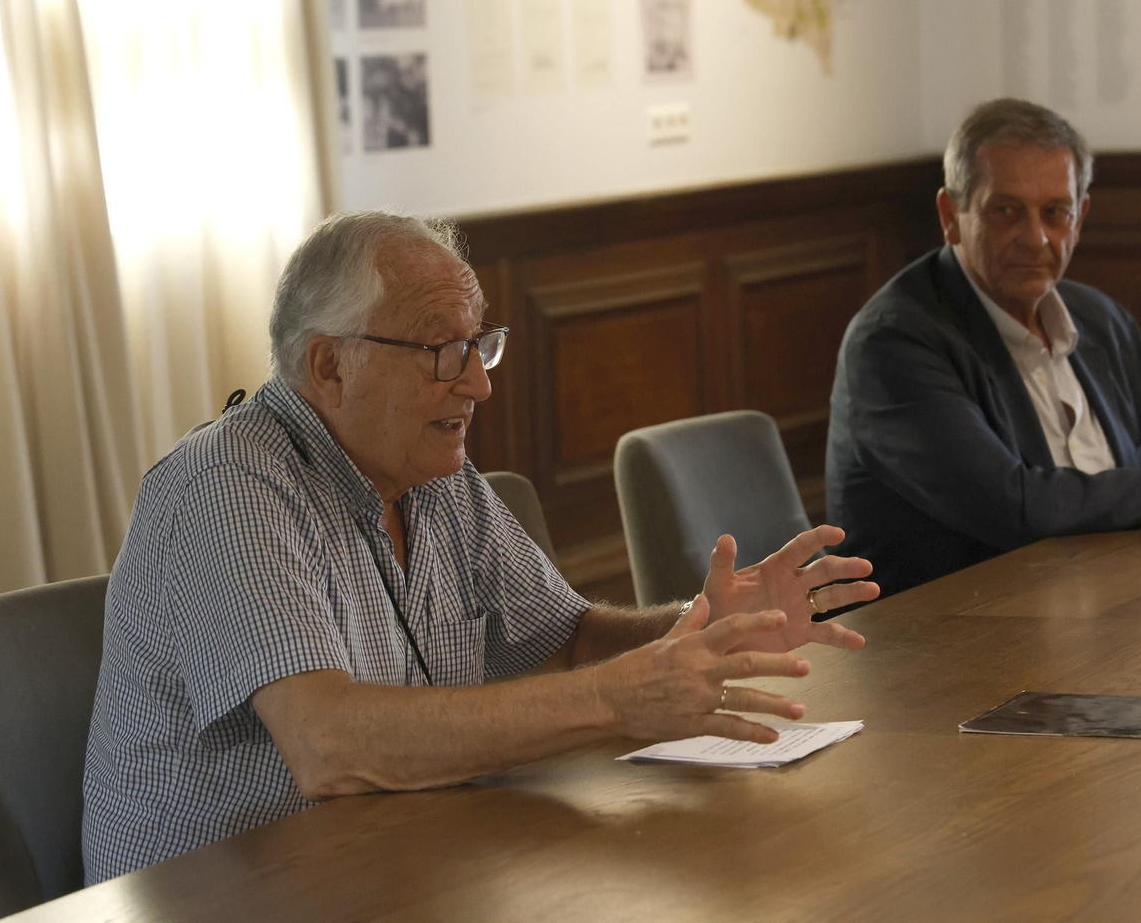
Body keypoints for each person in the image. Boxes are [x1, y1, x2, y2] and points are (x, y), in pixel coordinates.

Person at [83, 213, 877, 882]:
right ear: (330, 365)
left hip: (399, 868)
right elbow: (329, 746)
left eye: (479, 345)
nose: (478, 384)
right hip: (234, 896)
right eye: (442, 352)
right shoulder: (229, 487)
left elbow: (566, 642)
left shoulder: (432, 474)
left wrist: (704, 627)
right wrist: (615, 699)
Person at [825, 97, 1141, 601]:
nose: (1036, 238)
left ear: (1080, 217)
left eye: (1055, 213)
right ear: (951, 215)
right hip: (950, 630)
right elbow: (1015, 507)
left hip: (1116, 600)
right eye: (1006, 211)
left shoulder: (1097, 318)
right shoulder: (893, 343)